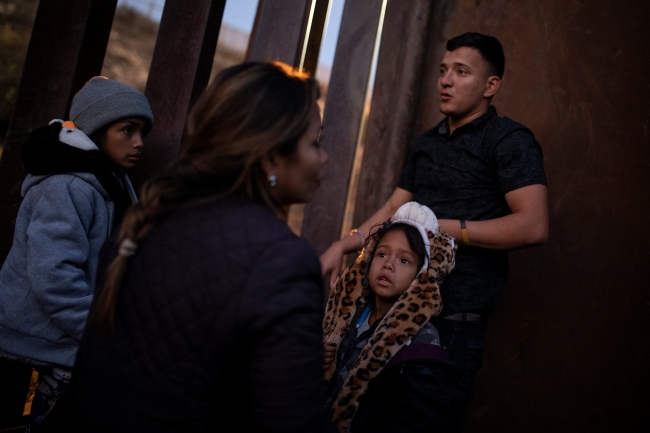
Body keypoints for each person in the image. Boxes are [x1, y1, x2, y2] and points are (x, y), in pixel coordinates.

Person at [60, 61, 332, 432]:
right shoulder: (281, 262)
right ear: (270, 157)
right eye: (314, 143)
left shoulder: (148, 220)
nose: (324, 157)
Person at [320, 32, 549, 414]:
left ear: (491, 85)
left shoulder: (509, 140)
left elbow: (534, 225)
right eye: (444, 71)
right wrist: (343, 245)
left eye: (461, 72)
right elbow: (395, 208)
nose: (445, 80)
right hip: (389, 315)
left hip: (452, 324)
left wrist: (438, 227)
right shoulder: (426, 143)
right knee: (359, 414)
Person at [0, 76, 153, 430]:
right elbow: (53, 277)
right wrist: (102, 333)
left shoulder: (111, 180)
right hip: (35, 339)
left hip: (61, 332)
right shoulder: (68, 186)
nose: (139, 143)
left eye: (142, 132)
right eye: (127, 130)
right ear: (97, 129)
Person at [323, 201, 466, 432]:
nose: (388, 265)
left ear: (421, 277)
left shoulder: (421, 343)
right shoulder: (349, 316)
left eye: (404, 260)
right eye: (381, 254)